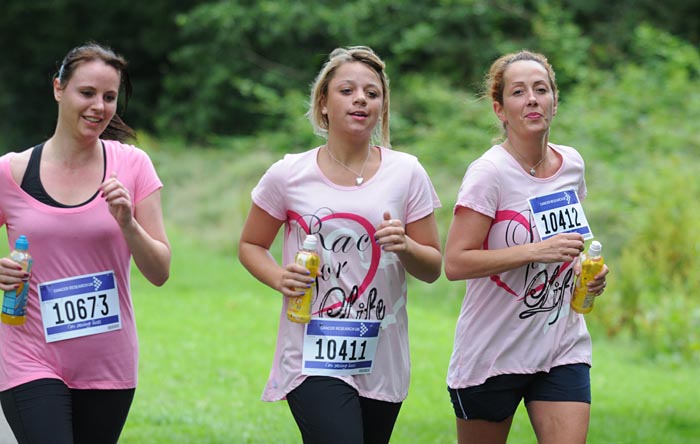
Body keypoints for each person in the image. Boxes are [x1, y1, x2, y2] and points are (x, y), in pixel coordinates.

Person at [238, 46, 442, 444]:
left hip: (381, 353)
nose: (360, 99)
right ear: (323, 103)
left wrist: (405, 246)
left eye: (372, 93)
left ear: (382, 106)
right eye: (347, 90)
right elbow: (250, 244)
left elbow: (433, 267)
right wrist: (279, 277)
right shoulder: (288, 174)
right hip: (311, 352)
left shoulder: (407, 172)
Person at [0, 42, 171, 444]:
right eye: (87, 93)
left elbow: (160, 271)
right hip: (28, 357)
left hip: (107, 363)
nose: (99, 107)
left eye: (109, 97)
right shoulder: (11, 172)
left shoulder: (133, 165)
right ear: (58, 88)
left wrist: (128, 223)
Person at [444, 50, 610, 444]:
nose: (532, 99)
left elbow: (568, 246)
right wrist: (537, 251)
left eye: (541, 89)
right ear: (500, 109)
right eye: (519, 92)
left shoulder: (571, 164)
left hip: (560, 346)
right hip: (493, 352)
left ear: (555, 101)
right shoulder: (489, 173)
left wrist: (585, 273)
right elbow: (455, 262)